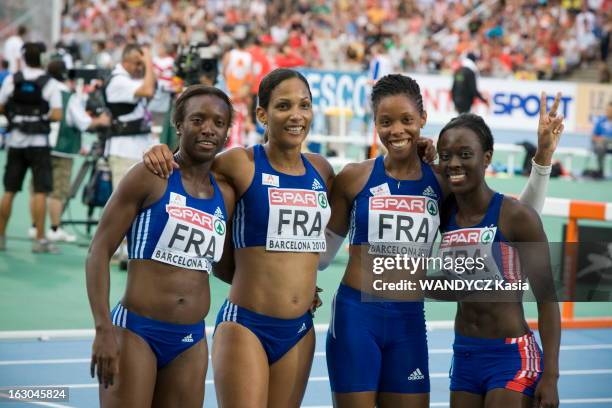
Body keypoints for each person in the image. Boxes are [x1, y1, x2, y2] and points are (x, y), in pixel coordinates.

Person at [319, 74, 561, 408]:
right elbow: (320, 257)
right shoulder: (353, 177)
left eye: (407, 120)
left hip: (409, 320)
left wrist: (543, 160)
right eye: (385, 122)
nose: (397, 130)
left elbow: (511, 217)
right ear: (374, 123)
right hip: (356, 317)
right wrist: (298, 286)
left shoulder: (441, 181)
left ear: (422, 120)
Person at [143, 68, 334, 407]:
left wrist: (300, 281)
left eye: (304, 105)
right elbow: (190, 164)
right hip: (247, 326)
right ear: (262, 114)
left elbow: (311, 243)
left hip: (300, 331)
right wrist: (161, 151)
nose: (296, 115)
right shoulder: (239, 164)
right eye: (283, 106)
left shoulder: (322, 170)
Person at [86, 84, 235, 407]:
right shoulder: (151, 176)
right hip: (136, 332)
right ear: (178, 124)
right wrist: (103, 329)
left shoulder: (227, 194)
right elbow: (98, 250)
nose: (208, 129)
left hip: (190, 341)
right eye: (198, 120)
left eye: (218, 123)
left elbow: (228, 266)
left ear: (227, 133)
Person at [436, 111, 561, 408]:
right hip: (464, 356)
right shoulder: (444, 214)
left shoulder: (516, 217)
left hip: (511, 357)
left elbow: (547, 300)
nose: (454, 163)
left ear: (487, 157)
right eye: (446, 156)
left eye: (465, 154)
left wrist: (552, 376)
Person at [36, 60, 111, 242]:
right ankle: (54, 229)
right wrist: (101, 120)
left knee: (38, 190)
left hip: (41, 145)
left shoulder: (43, 89)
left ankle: (35, 228)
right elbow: (83, 123)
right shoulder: (68, 97)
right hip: (63, 150)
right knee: (58, 192)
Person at [0, 42, 63, 253]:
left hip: (16, 141)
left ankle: (1, 236)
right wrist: (40, 116)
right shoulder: (49, 83)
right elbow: (56, 114)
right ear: (42, 58)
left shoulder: (12, 79)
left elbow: (1, 104)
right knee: (40, 191)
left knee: (9, 190)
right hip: (39, 143)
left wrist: (15, 115)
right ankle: (40, 239)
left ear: (23, 58)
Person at [104, 43, 156, 191]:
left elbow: (151, 84)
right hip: (124, 151)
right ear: (126, 61)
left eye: (142, 64)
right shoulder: (119, 80)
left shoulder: (130, 79)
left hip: (135, 149)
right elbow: (148, 90)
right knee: (124, 204)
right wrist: (148, 61)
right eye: (137, 63)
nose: (140, 67)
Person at [591, 100, 612, 178]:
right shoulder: (601, 120)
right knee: (600, 146)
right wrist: (600, 139)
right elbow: (593, 136)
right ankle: (601, 170)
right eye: (607, 110)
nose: (608, 112)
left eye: (610, 110)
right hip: (602, 144)